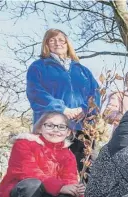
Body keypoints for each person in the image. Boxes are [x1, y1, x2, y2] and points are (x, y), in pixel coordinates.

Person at [0, 113, 83, 197]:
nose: (56, 130)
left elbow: (69, 178)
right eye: (50, 125)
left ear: (68, 132)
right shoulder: (24, 144)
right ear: (40, 128)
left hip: (47, 194)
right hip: (21, 193)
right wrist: (60, 187)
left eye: (61, 127)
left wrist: (75, 190)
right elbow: (29, 172)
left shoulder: (68, 154)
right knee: (32, 184)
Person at [26, 28, 101, 172]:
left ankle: (89, 195)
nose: (57, 43)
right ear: (46, 44)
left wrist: (84, 109)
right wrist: (63, 110)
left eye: (61, 40)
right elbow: (35, 92)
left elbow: (95, 93)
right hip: (52, 127)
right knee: (54, 172)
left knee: (89, 172)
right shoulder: (38, 67)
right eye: (52, 40)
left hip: (82, 127)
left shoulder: (82, 70)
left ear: (67, 44)